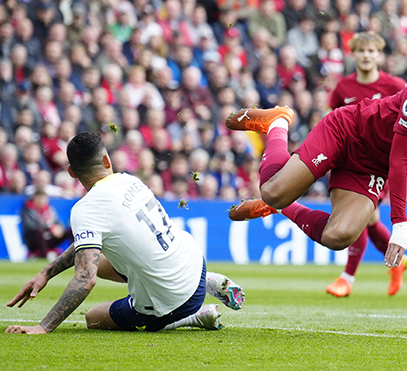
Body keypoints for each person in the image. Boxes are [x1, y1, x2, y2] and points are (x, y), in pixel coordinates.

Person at [227, 43, 407, 271]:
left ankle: (279, 208)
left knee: (339, 236)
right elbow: (399, 160)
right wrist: (400, 225)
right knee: (273, 191)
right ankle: (279, 122)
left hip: (372, 167)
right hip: (346, 132)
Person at [6, 132, 245, 334]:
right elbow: (85, 247)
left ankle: (192, 317)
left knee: (93, 317)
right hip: (194, 260)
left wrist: (44, 326)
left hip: (176, 299)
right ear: (107, 160)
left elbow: (85, 280)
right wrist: (46, 273)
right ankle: (207, 280)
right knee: (95, 257)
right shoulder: (130, 180)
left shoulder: (86, 208)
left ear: (71, 172)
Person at [324, 31, 407, 298]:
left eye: (371, 51)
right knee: (369, 219)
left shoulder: (394, 86)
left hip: (379, 162)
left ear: (379, 55)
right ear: (353, 55)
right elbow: (332, 121)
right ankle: (398, 261)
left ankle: (347, 278)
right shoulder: (343, 88)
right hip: (349, 159)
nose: (366, 56)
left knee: (359, 217)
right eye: (361, 51)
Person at [21, 190, 73, 260]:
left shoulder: (49, 209)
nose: (41, 201)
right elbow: (30, 226)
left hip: (50, 237)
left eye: (43, 198)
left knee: (70, 231)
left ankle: (74, 254)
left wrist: (60, 229)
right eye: (39, 198)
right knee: (39, 231)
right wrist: (51, 228)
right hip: (34, 240)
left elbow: (58, 222)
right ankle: (44, 257)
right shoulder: (28, 210)